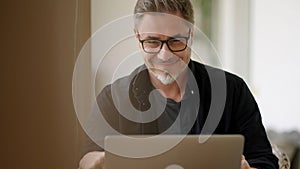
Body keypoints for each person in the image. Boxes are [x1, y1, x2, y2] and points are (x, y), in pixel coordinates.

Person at [78, 0, 279, 169]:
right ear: (137, 38)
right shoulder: (112, 98)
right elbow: (87, 158)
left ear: (191, 36)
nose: (165, 55)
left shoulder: (233, 91)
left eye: (175, 41)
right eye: (152, 42)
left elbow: (265, 161)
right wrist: (95, 162)